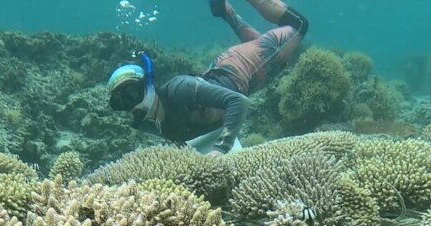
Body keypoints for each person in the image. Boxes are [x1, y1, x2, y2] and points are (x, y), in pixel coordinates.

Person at [107, 0, 309, 156]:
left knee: (298, 24)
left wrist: (221, 149)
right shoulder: (148, 125)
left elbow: (237, 102)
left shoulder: (180, 89)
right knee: (271, 55)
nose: (130, 105)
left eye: (132, 93)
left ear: (148, 84)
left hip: (237, 67)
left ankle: (227, 10)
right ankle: (224, 10)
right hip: (235, 79)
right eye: (120, 102)